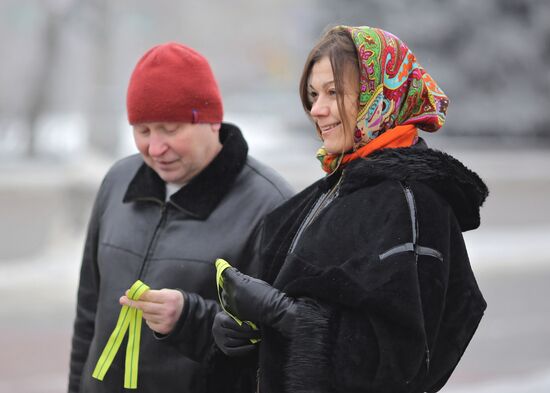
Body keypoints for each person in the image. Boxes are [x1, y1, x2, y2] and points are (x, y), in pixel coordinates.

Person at [211, 25, 488, 393]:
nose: (317, 109)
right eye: (313, 94)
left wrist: (282, 315)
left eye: (334, 92)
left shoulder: (413, 200)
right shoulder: (337, 185)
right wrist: (246, 331)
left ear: (381, 96)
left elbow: (399, 366)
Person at [68, 42, 294, 393]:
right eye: (143, 131)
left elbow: (282, 347)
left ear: (212, 120)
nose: (155, 149)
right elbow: (88, 317)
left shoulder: (272, 205)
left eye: (170, 129)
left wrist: (190, 318)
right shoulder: (117, 181)